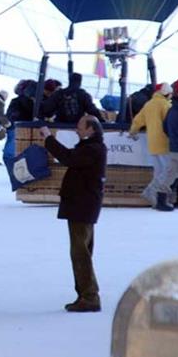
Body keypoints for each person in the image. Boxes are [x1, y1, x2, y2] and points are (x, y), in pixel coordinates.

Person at [39, 115, 106, 312]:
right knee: (82, 250)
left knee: (80, 252)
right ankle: (86, 293)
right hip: (83, 204)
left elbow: (68, 158)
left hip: (82, 205)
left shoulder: (92, 149)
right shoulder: (91, 147)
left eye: (80, 127)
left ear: (91, 129)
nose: (77, 130)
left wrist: (49, 139)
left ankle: (89, 295)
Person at [129, 83, 173, 208]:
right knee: (167, 171)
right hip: (164, 142)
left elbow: (138, 120)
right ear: (166, 94)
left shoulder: (148, 104)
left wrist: (133, 131)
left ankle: (155, 198)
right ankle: (151, 190)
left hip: (152, 142)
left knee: (158, 171)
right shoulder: (166, 105)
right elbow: (170, 123)